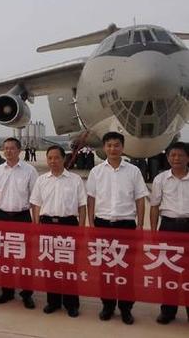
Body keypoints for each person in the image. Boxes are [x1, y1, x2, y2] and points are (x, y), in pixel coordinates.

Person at [87, 131, 149, 325]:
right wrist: (91, 223)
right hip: (103, 224)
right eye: (109, 145)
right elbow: (91, 198)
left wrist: (140, 224)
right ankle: (107, 305)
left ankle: (126, 308)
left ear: (122, 147)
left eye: (116, 145)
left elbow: (140, 199)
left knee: (126, 269)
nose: (113, 149)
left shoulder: (133, 171)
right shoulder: (96, 171)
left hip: (126, 225)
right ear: (104, 147)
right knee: (105, 269)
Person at [30, 145, 87, 317]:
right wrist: (36, 226)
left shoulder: (75, 180)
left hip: (68, 224)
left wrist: (81, 229)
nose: (53, 161)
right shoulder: (41, 180)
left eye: (56, 157)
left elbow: (82, 206)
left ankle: (71, 304)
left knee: (69, 267)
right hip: (47, 225)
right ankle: (53, 301)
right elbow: (36, 205)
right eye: (50, 158)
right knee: (50, 266)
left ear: (64, 159)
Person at [0, 137, 38, 309]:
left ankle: (27, 294)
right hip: (2, 217)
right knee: (5, 258)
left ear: (19, 150)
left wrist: (35, 221)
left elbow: (35, 198)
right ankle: (7, 291)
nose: (8, 151)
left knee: (25, 259)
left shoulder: (29, 170)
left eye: (12, 148)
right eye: (6, 148)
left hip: (22, 217)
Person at [149, 141, 189, 324]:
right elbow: (154, 206)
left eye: (181, 155)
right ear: (167, 158)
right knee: (168, 271)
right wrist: (153, 233)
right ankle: (168, 311)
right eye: (173, 155)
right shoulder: (160, 179)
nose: (176, 158)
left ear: (188, 158)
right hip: (168, 227)